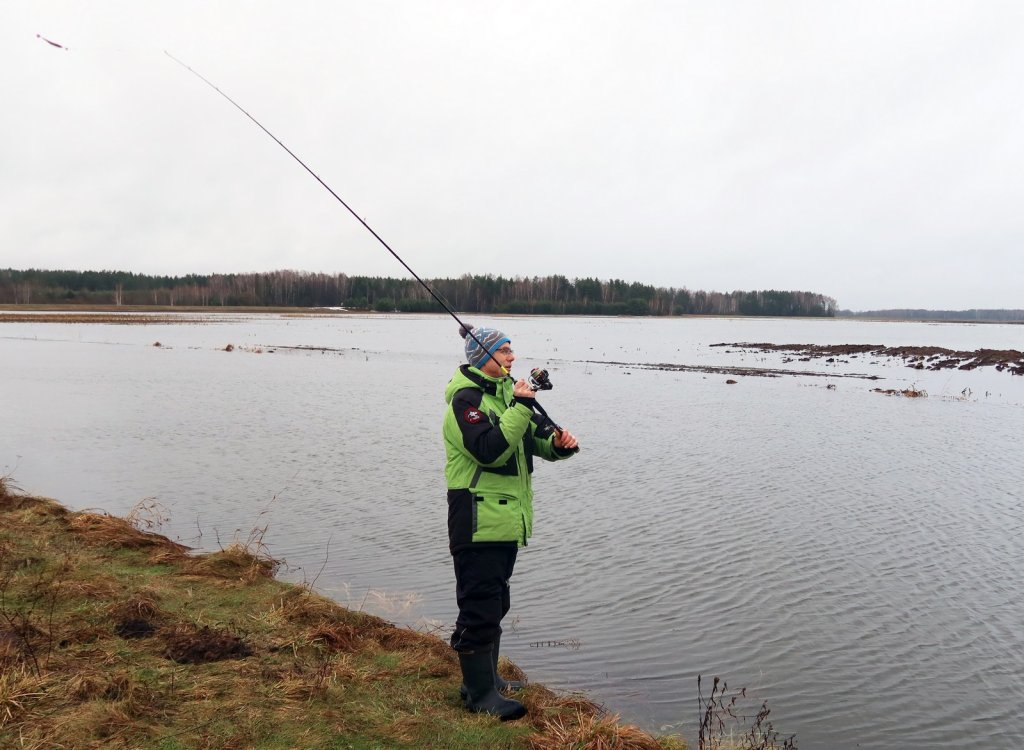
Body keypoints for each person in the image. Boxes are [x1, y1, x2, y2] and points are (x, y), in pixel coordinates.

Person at [442, 323, 579, 721]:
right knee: (479, 606)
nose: (512, 357)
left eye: (511, 350)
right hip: (476, 517)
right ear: (483, 357)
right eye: (504, 352)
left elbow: (533, 439)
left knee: (496, 601)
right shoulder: (464, 401)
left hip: (504, 520)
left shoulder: (506, 397)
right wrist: (521, 405)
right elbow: (489, 451)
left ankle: (488, 681)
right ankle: (479, 694)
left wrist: (559, 444)